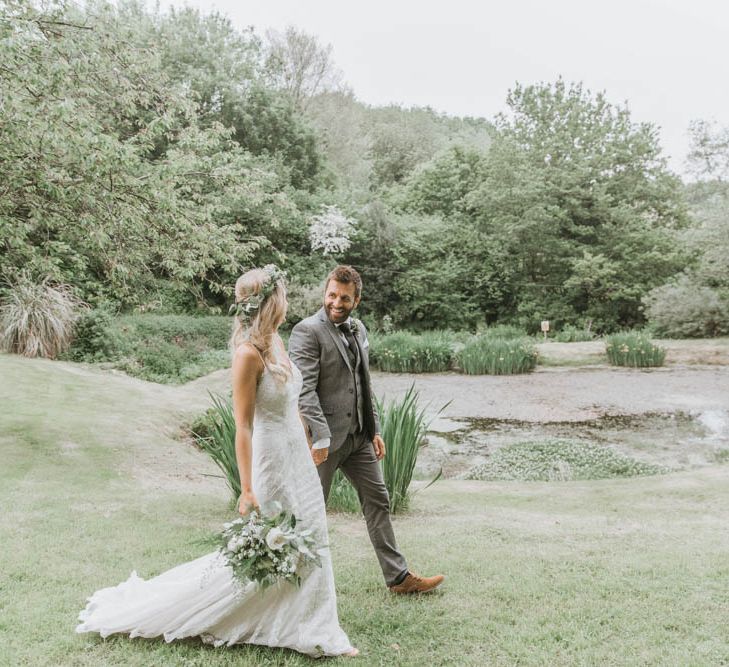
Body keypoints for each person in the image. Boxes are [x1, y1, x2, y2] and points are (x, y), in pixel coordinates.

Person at [76, 265, 357, 658]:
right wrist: (246, 489)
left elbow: (293, 404)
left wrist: (308, 446)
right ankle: (299, 626)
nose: (288, 301)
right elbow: (243, 427)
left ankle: (311, 621)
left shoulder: (277, 340)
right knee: (280, 542)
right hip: (271, 460)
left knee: (311, 535)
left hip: (297, 458)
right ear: (271, 301)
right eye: (284, 294)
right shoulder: (248, 355)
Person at [288, 265, 445, 594]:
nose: (336, 302)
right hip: (324, 441)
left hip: (359, 437)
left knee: (378, 499)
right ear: (324, 294)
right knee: (310, 511)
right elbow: (304, 391)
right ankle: (292, 583)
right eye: (332, 295)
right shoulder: (307, 331)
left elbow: (362, 383)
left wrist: (373, 430)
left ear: (356, 300)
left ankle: (399, 578)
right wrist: (319, 437)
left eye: (344, 298)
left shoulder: (357, 329)